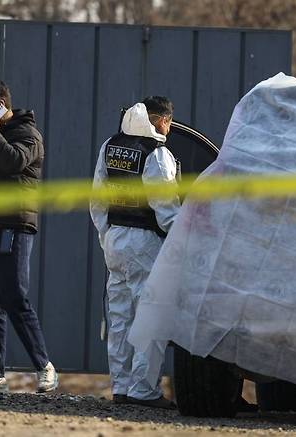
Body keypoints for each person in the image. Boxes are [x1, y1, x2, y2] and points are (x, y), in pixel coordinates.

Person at [90, 97, 179, 409]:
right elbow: (165, 207)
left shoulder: (110, 146)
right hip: (146, 243)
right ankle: (144, 390)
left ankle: (122, 387)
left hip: (114, 239)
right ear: (161, 121)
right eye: (168, 122)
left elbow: (98, 199)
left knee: (120, 319)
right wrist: (182, 239)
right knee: (149, 316)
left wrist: (106, 236)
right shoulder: (157, 154)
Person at [0, 79, 58, 393]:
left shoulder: (27, 133)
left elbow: (14, 162)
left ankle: (44, 366)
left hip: (14, 227)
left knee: (14, 296)